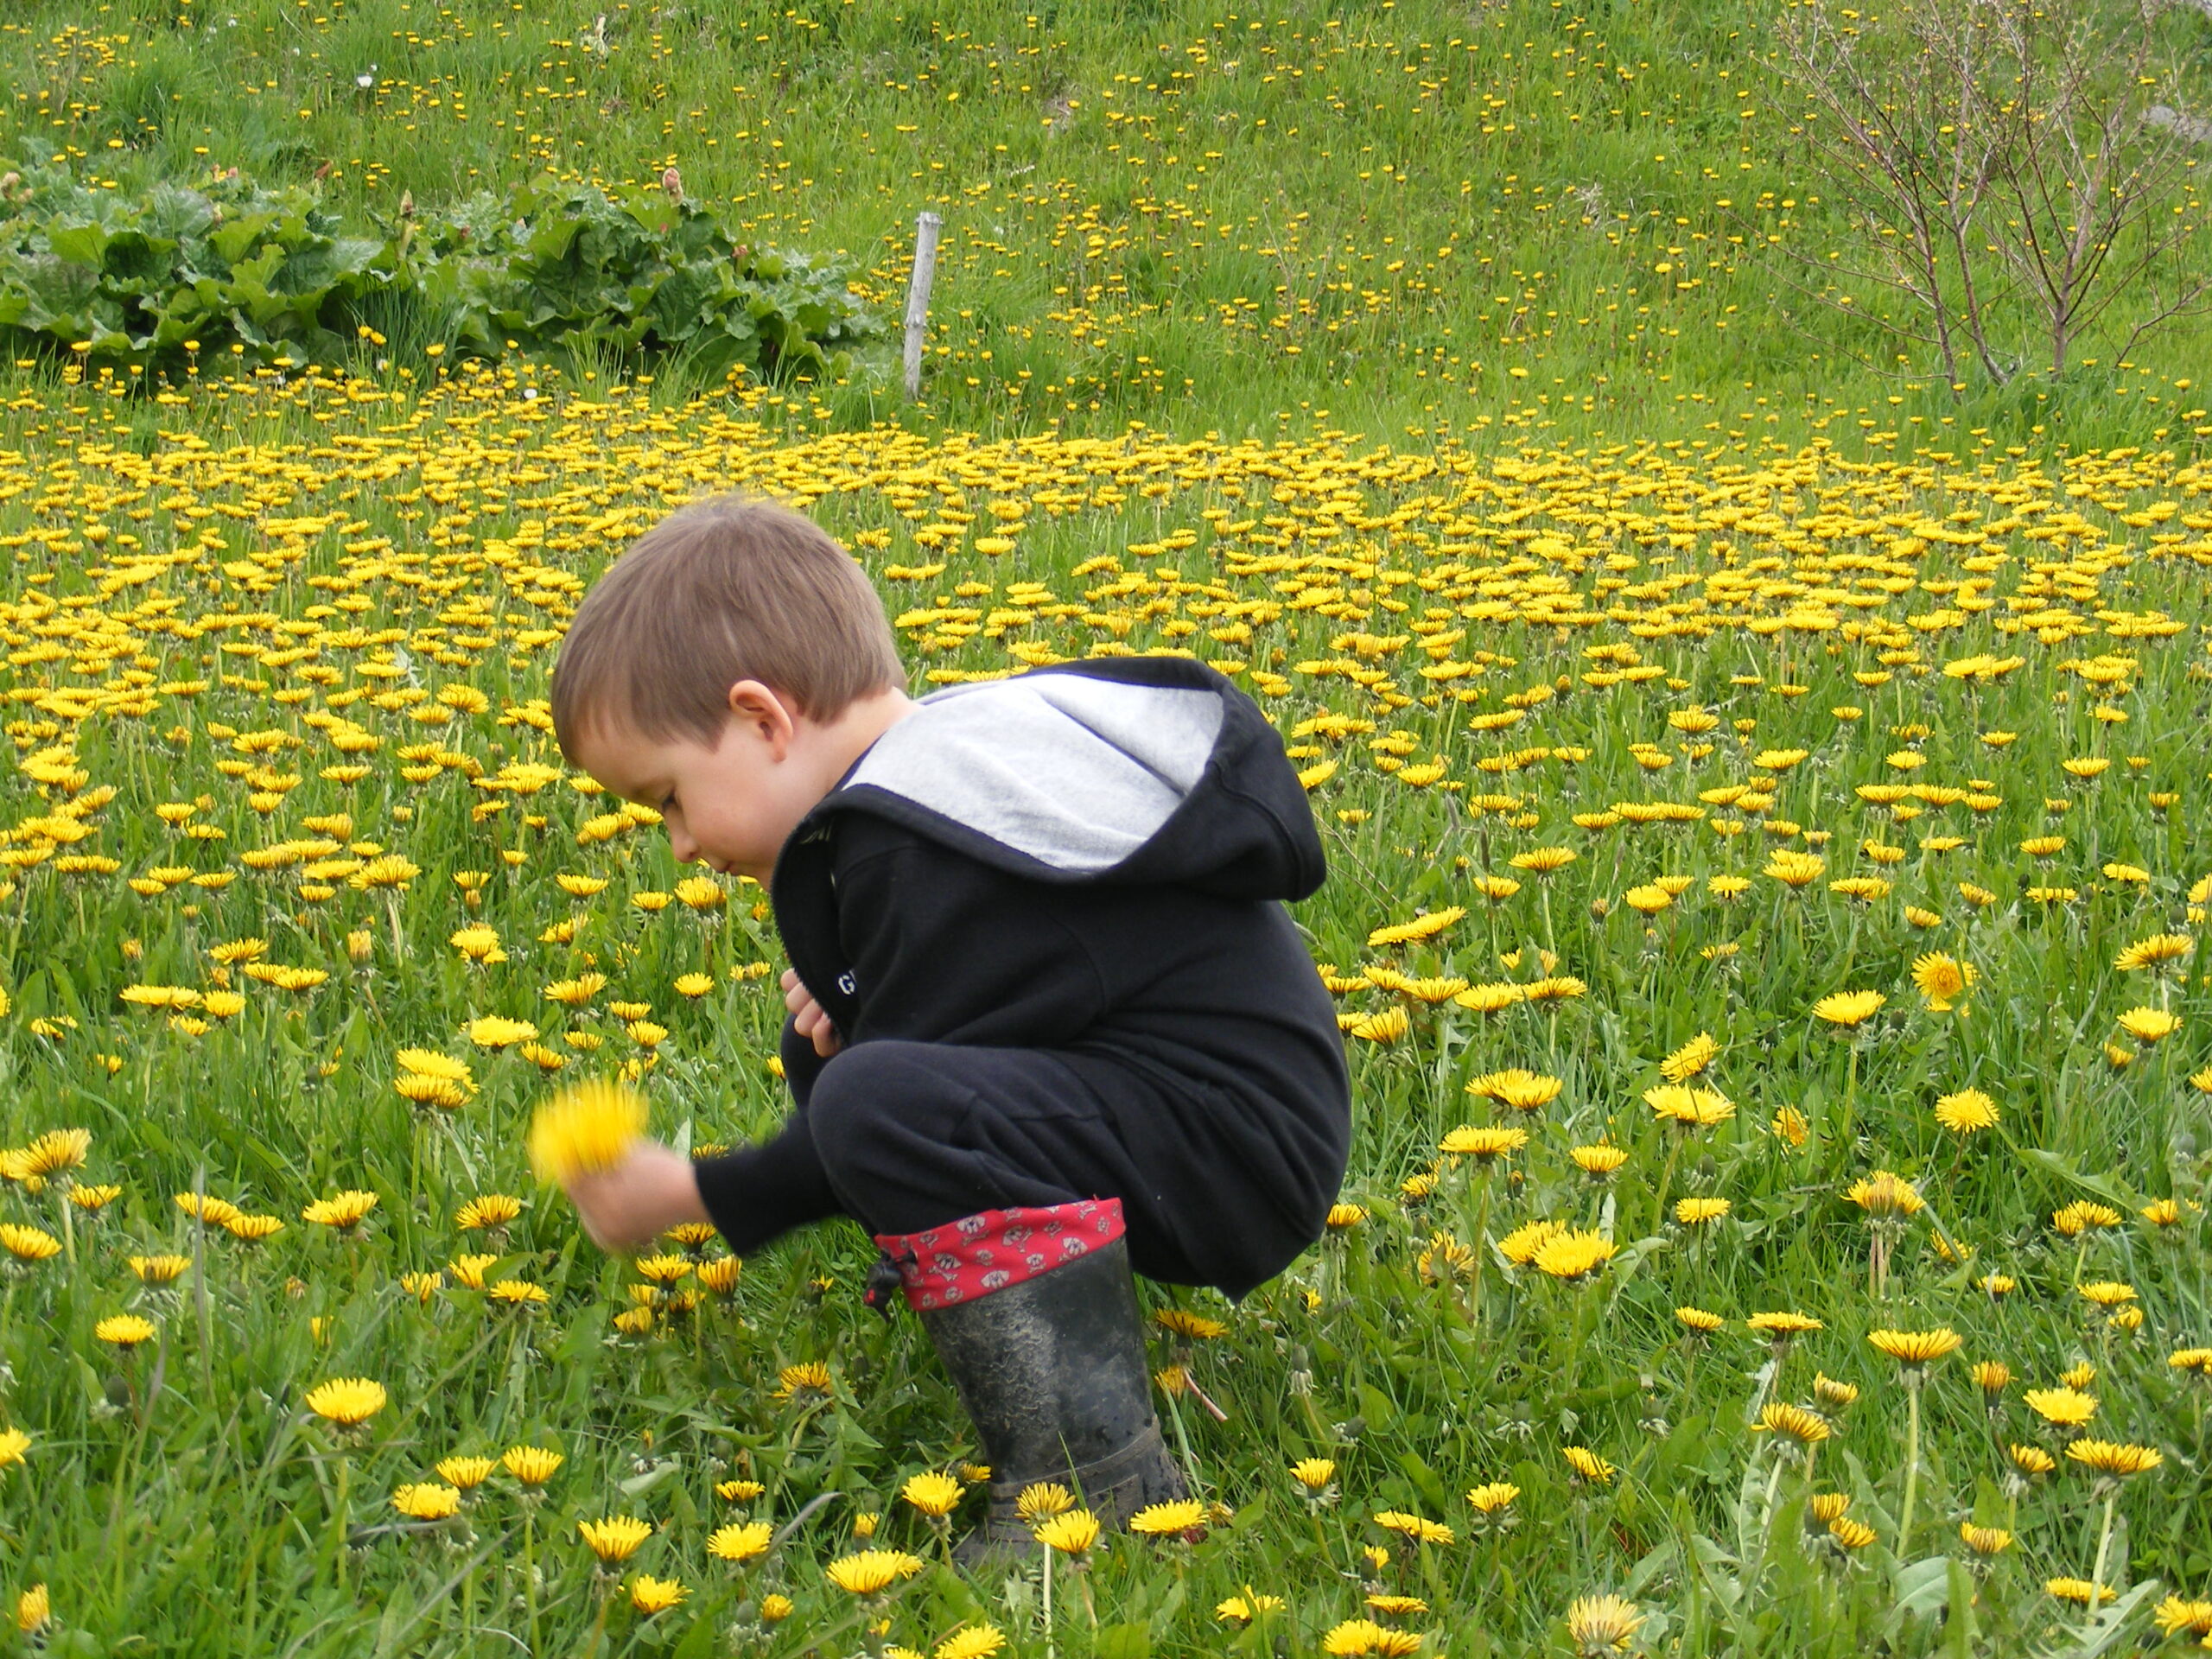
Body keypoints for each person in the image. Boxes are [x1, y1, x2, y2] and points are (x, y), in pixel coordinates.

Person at [545, 493, 1351, 1558]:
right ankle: (996, 1298)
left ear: (763, 720)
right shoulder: (944, 772)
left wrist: (699, 1194)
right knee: (834, 1049)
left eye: (669, 799)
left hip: (1230, 1150)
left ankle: (1094, 1485)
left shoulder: (912, 843)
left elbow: (886, 1117)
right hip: (1222, 1116)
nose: (681, 846)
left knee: (870, 1097)